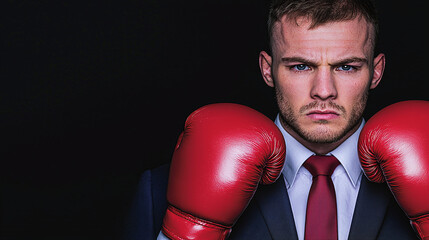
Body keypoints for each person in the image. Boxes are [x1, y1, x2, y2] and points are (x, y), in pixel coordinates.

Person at [123, 0, 422, 239]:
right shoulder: (161, 190)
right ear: (268, 70)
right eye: (300, 66)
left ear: (376, 71)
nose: (323, 91)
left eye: (346, 67)